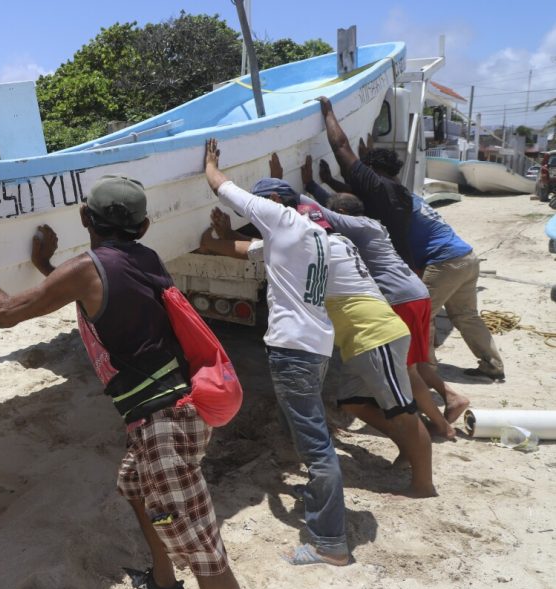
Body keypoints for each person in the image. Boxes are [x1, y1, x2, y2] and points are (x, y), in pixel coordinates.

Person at [0, 174, 241, 589]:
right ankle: (164, 584)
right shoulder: (146, 257)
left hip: (163, 424)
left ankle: (175, 585)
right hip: (179, 410)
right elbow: (103, 290)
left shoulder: (85, 270)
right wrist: (49, 269)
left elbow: (5, 313)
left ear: (84, 217)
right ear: (145, 227)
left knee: (207, 554)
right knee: (135, 486)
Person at [200, 139, 349, 566]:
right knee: (309, 429)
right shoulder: (314, 235)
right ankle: (320, 500)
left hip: (294, 349)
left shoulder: (281, 219)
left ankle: (330, 543)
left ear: (272, 205)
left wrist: (211, 164)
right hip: (316, 344)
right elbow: (246, 250)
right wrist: (218, 239)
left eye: (260, 209)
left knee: (316, 444)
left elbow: (224, 188)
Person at [258, 155, 435, 497]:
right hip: (361, 339)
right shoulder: (327, 243)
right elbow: (257, 248)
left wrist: (288, 188)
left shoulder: (330, 242)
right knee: (353, 403)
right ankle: (406, 447)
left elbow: (304, 216)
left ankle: (424, 483)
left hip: (375, 335)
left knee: (401, 408)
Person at [301, 156, 468, 438]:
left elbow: (324, 212)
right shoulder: (369, 224)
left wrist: (293, 188)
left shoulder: (356, 228)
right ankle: (451, 397)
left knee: (408, 371)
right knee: (413, 363)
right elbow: (334, 207)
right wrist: (316, 184)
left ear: (342, 212)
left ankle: (441, 426)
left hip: (399, 298)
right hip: (415, 293)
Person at [410, 190, 505, 380]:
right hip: (467, 256)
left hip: (445, 262)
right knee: (466, 315)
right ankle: (493, 365)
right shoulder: (414, 200)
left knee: (422, 315)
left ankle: (427, 373)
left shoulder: (393, 206)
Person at [318, 96, 414, 267]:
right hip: (405, 265)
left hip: (388, 270)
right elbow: (358, 195)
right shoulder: (402, 193)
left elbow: (341, 147)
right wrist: (330, 181)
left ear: (371, 167)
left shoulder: (377, 185)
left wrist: (328, 112)